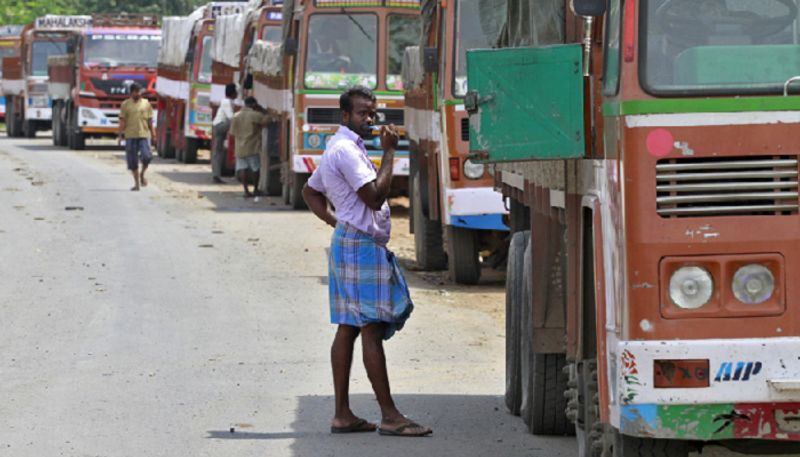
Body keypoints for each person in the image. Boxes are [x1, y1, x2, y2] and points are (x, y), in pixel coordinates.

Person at [302, 86, 432, 437]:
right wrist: (390, 154)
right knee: (371, 327)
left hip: (350, 240)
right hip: (359, 246)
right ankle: (390, 415)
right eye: (363, 113)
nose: (370, 119)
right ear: (345, 116)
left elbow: (311, 191)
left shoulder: (341, 147)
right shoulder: (345, 150)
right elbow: (374, 197)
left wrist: (337, 222)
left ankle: (342, 414)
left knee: (348, 326)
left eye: (373, 113)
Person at [229, 96, 269, 198]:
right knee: (255, 168)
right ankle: (255, 189)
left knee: (243, 169)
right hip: (252, 147)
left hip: (240, 148)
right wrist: (263, 111)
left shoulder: (236, 116)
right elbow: (268, 120)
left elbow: (232, 132)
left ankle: (246, 191)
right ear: (254, 105)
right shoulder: (255, 115)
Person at [119, 83, 154, 191]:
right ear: (131, 92)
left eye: (139, 92)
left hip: (144, 135)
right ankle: (137, 183)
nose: (138, 94)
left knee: (147, 156)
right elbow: (122, 121)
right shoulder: (125, 105)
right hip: (130, 136)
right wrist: (120, 135)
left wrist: (154, 134)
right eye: (136, 92)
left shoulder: (146, 104)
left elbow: (150, 121)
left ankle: (142, 174)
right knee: (132, 161)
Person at [211, 83, 237, 184]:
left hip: (219, 126)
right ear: (233, 93)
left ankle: (216, 174)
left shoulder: (228, 101)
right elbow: (231, 117)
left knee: (219, 151)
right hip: (219, 126)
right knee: (218, 151)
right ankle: (216, 175)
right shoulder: (226, 102)